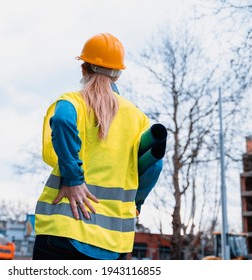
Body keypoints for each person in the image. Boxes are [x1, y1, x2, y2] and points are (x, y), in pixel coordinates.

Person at [33, 33, 164, 260]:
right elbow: (155, 166)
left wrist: (74, 180)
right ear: (118, 75)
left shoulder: (73, 102)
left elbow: (63, 120)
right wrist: (137, 203)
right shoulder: (137, 118)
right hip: (112, 244)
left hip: (64, 229)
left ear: (84, 68)